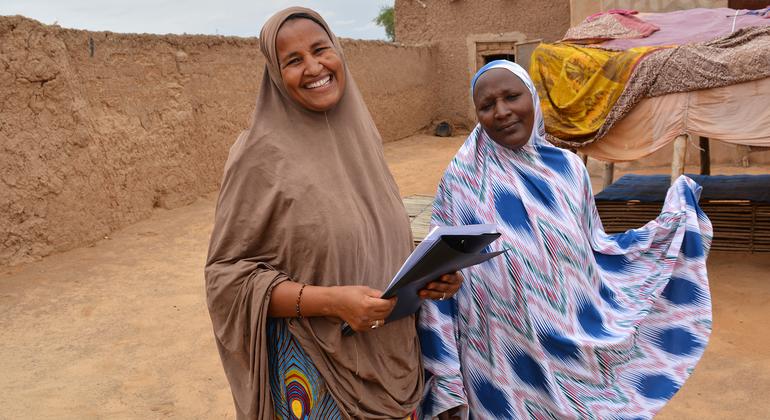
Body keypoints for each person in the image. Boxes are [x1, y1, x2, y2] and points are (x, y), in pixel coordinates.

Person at [204, 7, 462, 420]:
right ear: (275, 73)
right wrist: (330, 302)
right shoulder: (259, 156)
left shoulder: (362, 136)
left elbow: (370, 238)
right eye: (293, 60)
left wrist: (430, 277)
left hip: (394, 360)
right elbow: (226, 277)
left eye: (321, 50)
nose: (313, 67)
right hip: (318, 372)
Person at [419, 60, 713, 419]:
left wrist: (667, 231)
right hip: (498, 359)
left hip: (570, 350)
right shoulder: (462, 180)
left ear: (533, 99)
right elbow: (438, 279)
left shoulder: (569, 171)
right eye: (486, 105)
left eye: (512, 97)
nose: (502, 112)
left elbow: (595, 250)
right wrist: (446, 379)